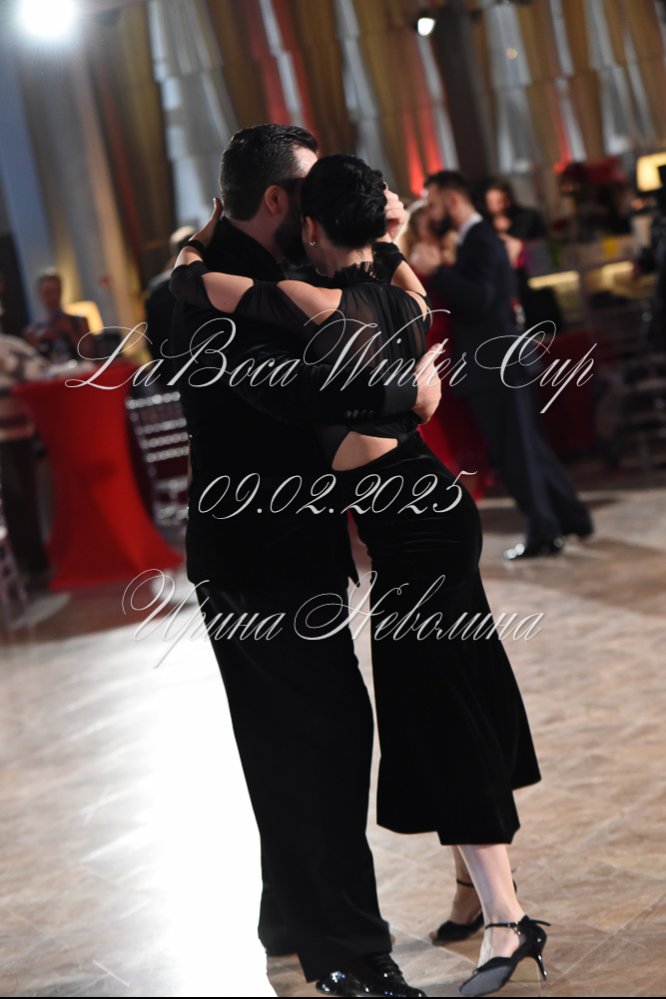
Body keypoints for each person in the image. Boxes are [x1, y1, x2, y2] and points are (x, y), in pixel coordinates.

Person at [171, 153, 551, 999]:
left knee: (436, 708)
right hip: (413, 517)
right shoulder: (394, 290)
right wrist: (409, 387)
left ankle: (504, 913)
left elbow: (212, 295)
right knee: (423, 706)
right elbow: (391, 309)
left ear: (310, 224)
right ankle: (453, 899)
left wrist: (191, 256)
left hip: (410, 530)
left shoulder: (304, 295)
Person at [168, 124, 442, 998]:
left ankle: (289, 922)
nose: (322, 205)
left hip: (300, 547)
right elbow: (307, 392)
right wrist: (409, 393)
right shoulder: (193, 298)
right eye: (312, 189)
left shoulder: (265, 267)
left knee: (308, 739)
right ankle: (349, 954)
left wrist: (385, 242)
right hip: (250, 559)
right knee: (312, 741)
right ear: (277, 200)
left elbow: (385, 308)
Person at [420, 170, 594, 560]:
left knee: (515, 454)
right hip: (500, 363)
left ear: (451, 199)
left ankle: (544, 532)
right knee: (528, 448)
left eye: (433, 203)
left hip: (496, 365)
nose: (431, 212)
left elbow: (480, 299)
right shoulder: (476, 239)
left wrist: (439, 273)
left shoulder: (480, 239)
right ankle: (573, 517)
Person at [143, 225, 196, 381]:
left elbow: (152, 336)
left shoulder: (156, 288)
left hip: (171, 366)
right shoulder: (210, 281)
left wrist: (160, 373)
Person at [24, 269, 90, 363]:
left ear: (61, 291)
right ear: (40, 295)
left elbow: (89, 355)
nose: (52, 297)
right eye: (48, 293)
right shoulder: (33, 331)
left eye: (55, 291)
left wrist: (71, 332)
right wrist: (38, 340)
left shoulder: (79, 322)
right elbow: (30, 364)